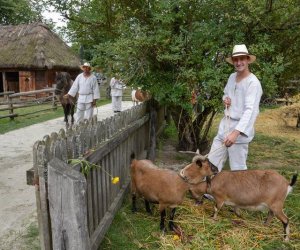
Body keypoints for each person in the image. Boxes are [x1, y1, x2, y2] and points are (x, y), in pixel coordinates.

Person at [208, 44, 263, 172]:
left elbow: (250, 111)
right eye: (236, 60)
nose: (239, 62)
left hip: (239, 132)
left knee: (238, 170)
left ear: (247, 60)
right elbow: (226, 94)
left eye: (241, 59)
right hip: (225, 126)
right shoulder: (232, 77)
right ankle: (210, 192)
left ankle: (240, 192)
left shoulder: (253, 83)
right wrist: (225, 100)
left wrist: (235, 133)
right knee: (212, 163)